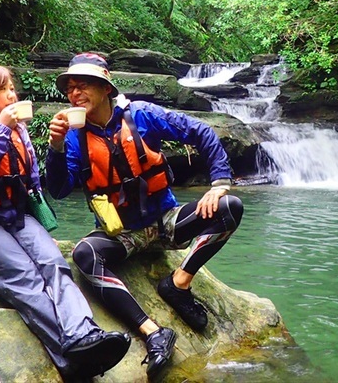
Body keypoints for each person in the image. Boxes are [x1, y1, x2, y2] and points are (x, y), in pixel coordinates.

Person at [43, 53, 245, 376]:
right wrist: (55, 148)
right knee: (84, 255)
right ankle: (154, 332)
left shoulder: (141, 115)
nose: (74, 94)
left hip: (165, 221)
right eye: (70, 89)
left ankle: (178, 284)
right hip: (121, 233)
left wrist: (219, 184)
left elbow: (201, 132)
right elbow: (59, 189)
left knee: (230, 209)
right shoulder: (74, 136)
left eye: (82, 86)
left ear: (105, 87)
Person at [0, 63, 130, 380]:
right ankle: (71, 354)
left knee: (55, 264)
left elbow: (31, 181)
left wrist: (41, 228)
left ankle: (84, 336)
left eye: (13, 88)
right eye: (5, 90)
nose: (13, 95)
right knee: (23, 276)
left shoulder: (17, 129)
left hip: (14, 214)